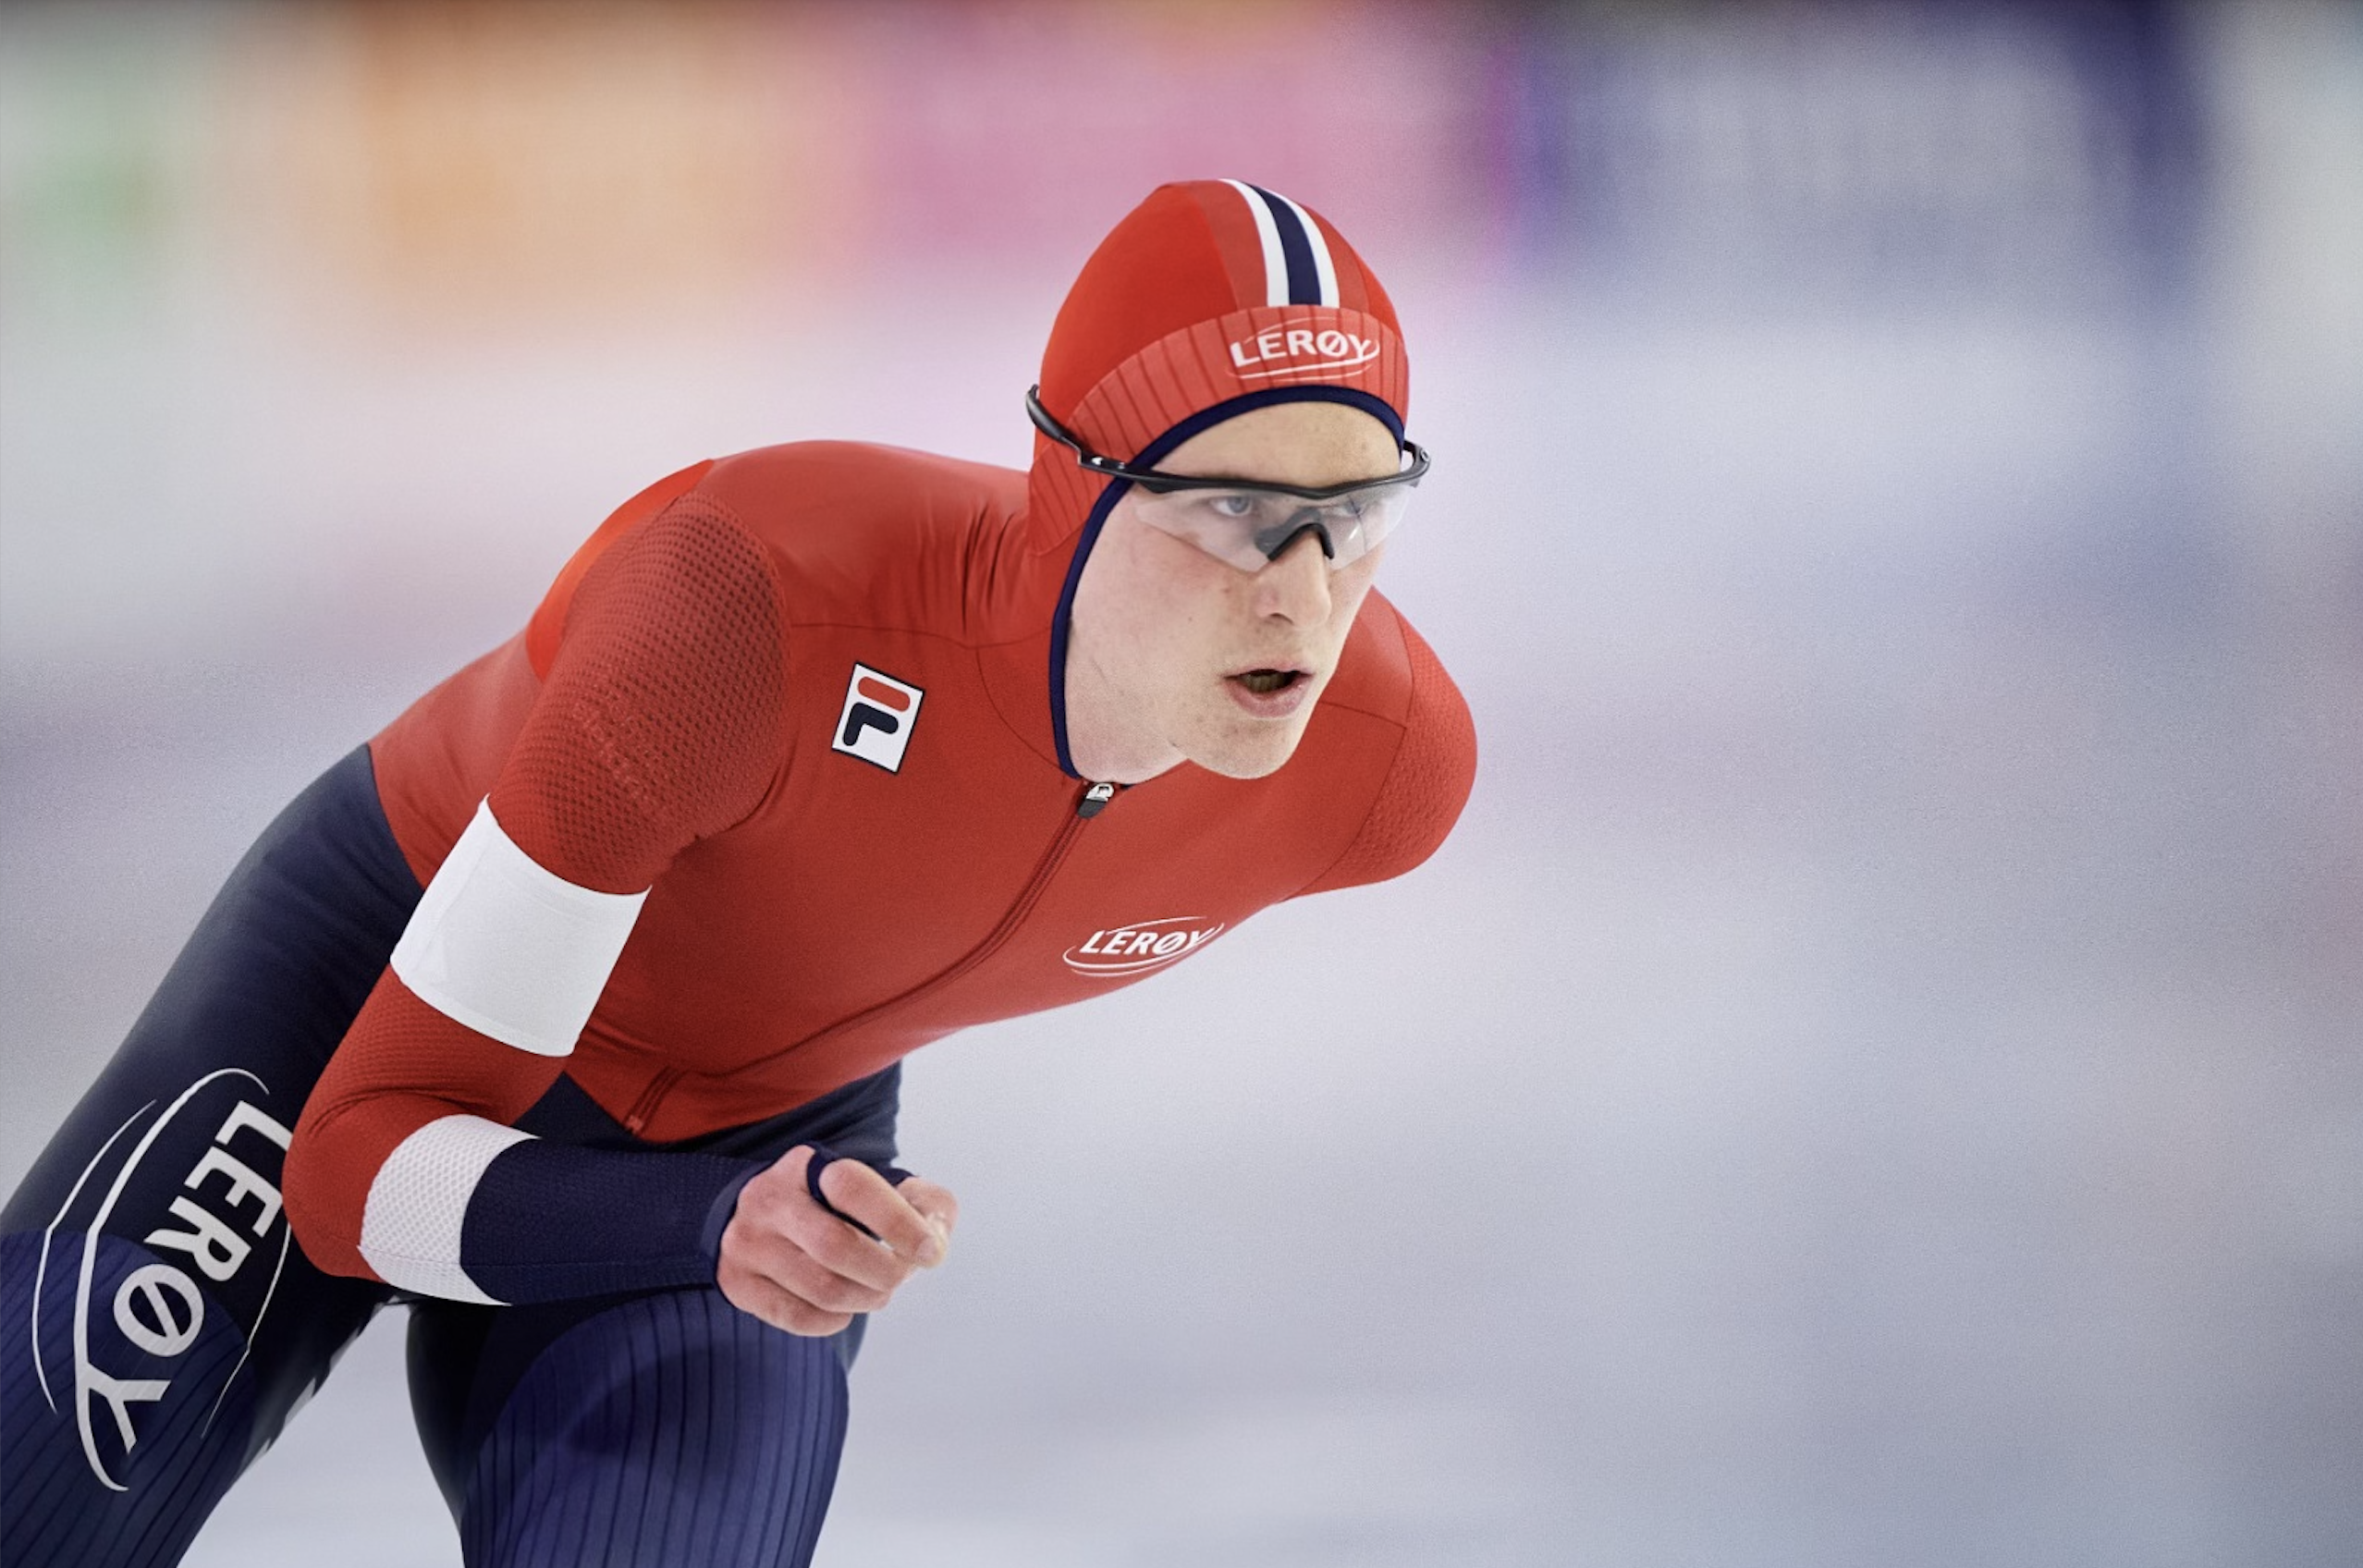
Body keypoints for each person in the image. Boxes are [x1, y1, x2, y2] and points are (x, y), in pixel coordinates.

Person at [1, 178, 1476, 1568]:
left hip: (749, 1144)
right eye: (1231, 510)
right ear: (1073, 487)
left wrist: (727, 1220)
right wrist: (705, 1226)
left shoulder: (1383, 773)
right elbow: (352, 1172)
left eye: (1356, 515)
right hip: (381, 989)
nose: (1303, 593)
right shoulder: (753, 604)